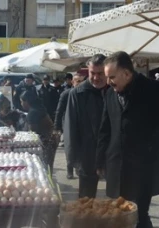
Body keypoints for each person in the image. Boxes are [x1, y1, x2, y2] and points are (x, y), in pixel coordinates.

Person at [96, 51, 159, 228]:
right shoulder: (109, 94)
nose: (108, 82)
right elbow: (105, 129)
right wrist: (100, 160)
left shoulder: (154, 89)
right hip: (116, 166)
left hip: (143, 166)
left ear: (127, 73)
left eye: (112, 77)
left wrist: (150, 151)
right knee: (120, 214)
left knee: (139, 215)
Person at [64, 54, 109, 196]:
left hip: (111, 155)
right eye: (92, 73)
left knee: (115, 204)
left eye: (100, 73)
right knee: (85, 203)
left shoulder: (114, 91)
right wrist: (73, 160)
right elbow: (70, 127)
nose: (96, 78)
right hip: (87, 155)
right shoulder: (77, 93)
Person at [54, 73, 84, 179]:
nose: (79, 83)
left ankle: (79, 168)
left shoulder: (84, 94)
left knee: (80, 147)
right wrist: (57, 127)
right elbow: (59, 110)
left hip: (81, 125)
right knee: (70, 147)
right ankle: (69, 169)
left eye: (81, 81)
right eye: (77, 81)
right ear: (72, 82)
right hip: (68, 125)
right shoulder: (66, 94)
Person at [20, 91, 58, 173]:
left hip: (46, 142)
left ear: (27, 101)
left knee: (42, 169)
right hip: (51, 140)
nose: (21, 104)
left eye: (22, 101)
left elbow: (32, 135)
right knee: (47, 167)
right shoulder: (38, 108)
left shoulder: (33, 113)